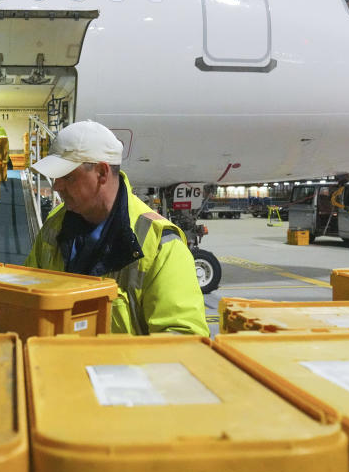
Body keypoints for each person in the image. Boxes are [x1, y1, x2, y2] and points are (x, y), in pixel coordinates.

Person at [24, 120, 210, 336]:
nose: (56, 186)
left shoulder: (160, 243)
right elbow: (29, 292)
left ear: (102, 173)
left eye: (68, 177)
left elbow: (184, 338)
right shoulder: (56, 223)